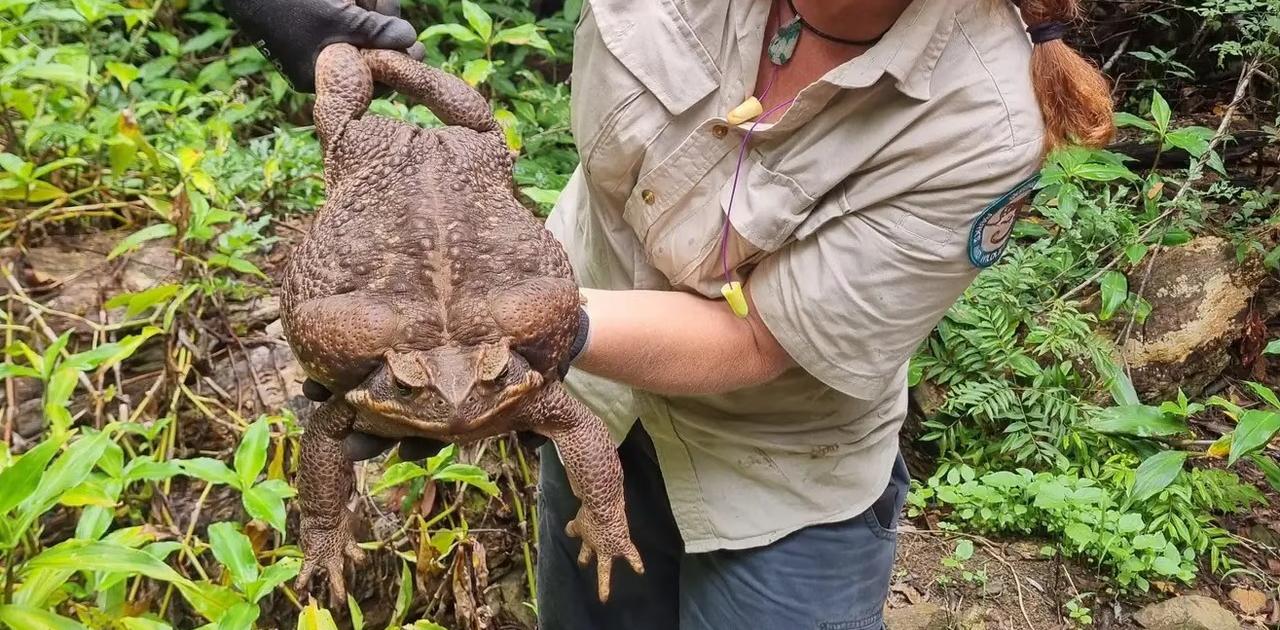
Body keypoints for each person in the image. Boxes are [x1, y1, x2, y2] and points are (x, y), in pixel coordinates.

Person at [229, 0, 1113, 628]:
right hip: (586, 401)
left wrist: (532, 340)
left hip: (774, 469)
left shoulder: (986, 117)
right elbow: (335, 421)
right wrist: (337, 27)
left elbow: (762, 339)